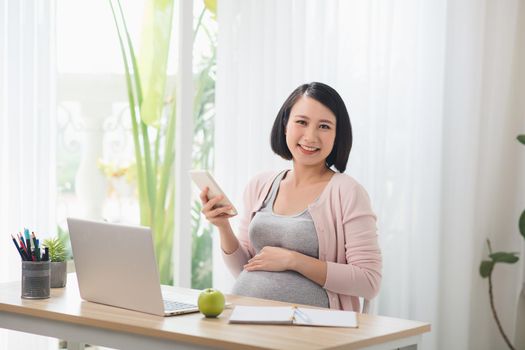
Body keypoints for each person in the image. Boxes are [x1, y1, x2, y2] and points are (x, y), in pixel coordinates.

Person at [199, 82, 381, 311]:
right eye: (301, 122)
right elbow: (245, 268)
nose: (310, 136)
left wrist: (294, 261)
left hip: (311, 333)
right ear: (285, 125)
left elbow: (369, 282)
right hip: (243, 319)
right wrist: (223, 226)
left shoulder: (348, 192)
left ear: (337, 135)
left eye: (324, 126)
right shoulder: (260, 185)